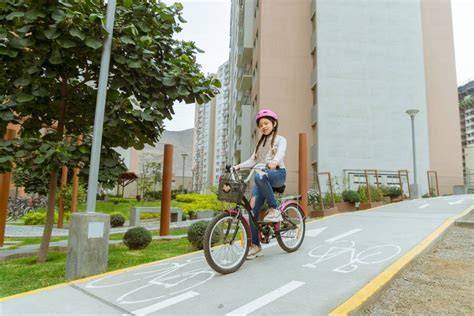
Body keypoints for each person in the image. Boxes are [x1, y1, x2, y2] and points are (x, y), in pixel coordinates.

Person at [233, 109, 287, 259]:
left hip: (277, 174)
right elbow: (253, 161)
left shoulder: (280, 139)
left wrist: (275, 161)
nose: (263, 126)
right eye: (261, 125)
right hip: (261, 177)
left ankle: (274, 209)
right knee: (252, 209)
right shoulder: (260, 143)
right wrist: (237, 166)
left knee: (260, 175)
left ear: (274, 123)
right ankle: (256, 246)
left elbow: (281, 152)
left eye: (266, 123)